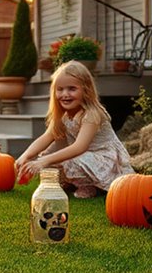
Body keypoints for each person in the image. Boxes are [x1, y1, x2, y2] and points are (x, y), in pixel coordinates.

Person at [16, 61, 134, 197]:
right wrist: (26, 156)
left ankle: (89, 187)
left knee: (62, 160)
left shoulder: (92, 114)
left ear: (86, 90)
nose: (65, 94)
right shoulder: (63, 115)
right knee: (47, 158)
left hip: (103, 158)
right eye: (60, 89)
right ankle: (73, 182)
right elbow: (47, 137)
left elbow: (79, 147)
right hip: (83, 157)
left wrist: (45, 160)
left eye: (72, 89)